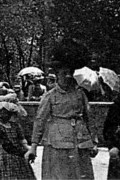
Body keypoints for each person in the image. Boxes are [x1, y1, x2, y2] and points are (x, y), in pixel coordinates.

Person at [25, 40, 98, 179]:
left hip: (79, 140)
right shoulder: (50, 96)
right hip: (57, 143)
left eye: (70, 73)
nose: (67, 76)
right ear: (57, 74)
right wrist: (33, 146)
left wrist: (94, 142)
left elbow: (89, 118)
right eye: (64, 73)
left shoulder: (80, 94)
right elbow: (40, 121)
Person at [0, 94, 35, 180]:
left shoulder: (15, 126)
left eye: (7, 113)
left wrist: (28, 149)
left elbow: (22, 139)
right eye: (1, 112)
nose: (4, 115)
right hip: (3, 155)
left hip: (18, 154)